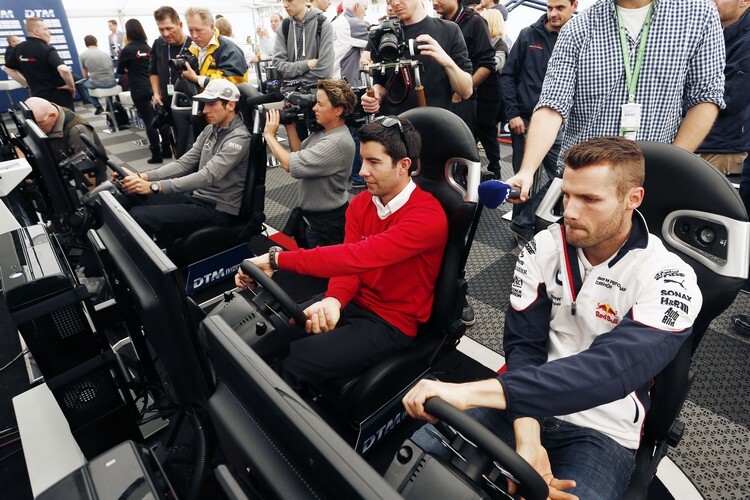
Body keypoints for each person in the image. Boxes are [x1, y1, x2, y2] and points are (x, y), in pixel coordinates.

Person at [403, 136, 703, 499]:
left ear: (632, 199)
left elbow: (610, 371)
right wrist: (528, 438)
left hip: (603, 428)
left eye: (590, 199)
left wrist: (468, 393)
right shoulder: (543, 247)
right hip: (517, 403)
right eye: (567, 194)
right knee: (412, 466)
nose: (571, 212)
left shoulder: (670, 277)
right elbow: (524, 348)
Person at [235, 116, 448, 391]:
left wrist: (276, 259)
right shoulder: (361, 204)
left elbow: (357, 256)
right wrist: (335, 299)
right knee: (271, 334)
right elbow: (348, 267)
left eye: (374, 162)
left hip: (390, 322)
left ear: (403, 166)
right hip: (353, 301)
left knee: (294, 362)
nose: (363, 171)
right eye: (363, 160)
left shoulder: (427, 217)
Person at [506, 0, 726, 206]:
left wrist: (669, 168)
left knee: (646, 244)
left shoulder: (699, 15)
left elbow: (706, 97)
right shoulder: (580, 26)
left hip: (651, 178)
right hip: (586, 179)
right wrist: (527, 170)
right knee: (577, 244)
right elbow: (552, 104)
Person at [119, 79, 250, 247]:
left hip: (217, 210)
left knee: (140, 215)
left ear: (230, 105)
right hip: (196, 198)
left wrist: (155, 186)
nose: (204, 110)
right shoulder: (211, 129)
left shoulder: (239, 138)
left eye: (211, 104)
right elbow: (183, 164)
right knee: (134, 196)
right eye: (204, 104)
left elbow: (206, 176)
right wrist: (142, 177)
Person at [499, 0, 577, 245]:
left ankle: (546, 220)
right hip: (526, 119)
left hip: (564, 123)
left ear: (574, 5)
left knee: (563, 176)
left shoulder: (581, 35)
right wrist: (512, 114)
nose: (552, 13)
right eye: (549, 7)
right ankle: (521, 225)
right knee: (525, 176)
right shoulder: (528, 35)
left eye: (559, 8)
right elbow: (508, 76)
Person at [264, 79, 356, 247]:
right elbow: (299, 153)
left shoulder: (337, 142)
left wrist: (269, 136)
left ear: (338, 110)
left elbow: (290, 165)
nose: (314, 108)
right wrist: (290, 127)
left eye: (320, 104)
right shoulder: (324, 133)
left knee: (323, 271)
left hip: (325, 223)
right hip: (310, 217)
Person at [360, 0, 473, 115]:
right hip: (394, 125)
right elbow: (380, 83)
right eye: (389, 0)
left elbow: (466, 91)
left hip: (435, 124)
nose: (395, 3)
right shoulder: (384, 34)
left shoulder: (449, 30)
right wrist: (374, 97)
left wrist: (447, 62)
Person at [434, 0, 497, 174]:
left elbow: (487, 63)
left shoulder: (475, 21)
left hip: (464, 99)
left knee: (462, 153)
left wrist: (462, 91)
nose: (434, 2)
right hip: (440, 99)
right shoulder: (437, 24)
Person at [695, 0, 750, 176]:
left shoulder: (746, 41)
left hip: (722, 144)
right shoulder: (720, 32)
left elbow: (730, 97)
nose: (711, 2)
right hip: (706, 137)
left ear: (744, 1)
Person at [24, 97, 108, 184]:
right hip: (63, 169)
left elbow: (88, 170)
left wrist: (89, 195)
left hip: (91, 178)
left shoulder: (77, 130)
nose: (36, 128)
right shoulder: (44, 115)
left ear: (52, 116)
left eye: (39, 124)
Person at [3, 18, 76, 110]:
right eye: (45, 29)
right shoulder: (46, 48)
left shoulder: (19, 48)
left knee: (45, 122)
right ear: (36, 32)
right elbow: (64, 69)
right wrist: (71, 87)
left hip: (38, 97)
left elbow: (7, 69)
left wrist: (28, 83)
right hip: (58, 96)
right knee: (65, 123)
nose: (50, 32)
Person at [149, 6, 192, 159]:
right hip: (167, 104)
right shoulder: (159, 44)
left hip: (188, 107)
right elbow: (153, 71)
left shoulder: (193, 45)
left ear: (180, 25)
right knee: (176, 148)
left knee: (190, 148)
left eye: (169, 28)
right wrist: (155, 93)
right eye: (161, 29)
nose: (165, 33)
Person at [118, 20, 162, 164]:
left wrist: (129, 68)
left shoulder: (127, 50)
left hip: (138, 88)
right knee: (161, 118)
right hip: (153, 87)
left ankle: (156, 154)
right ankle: (167, 149)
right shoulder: (149, 47)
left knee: (149, 121)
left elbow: (120, 70)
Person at [181, 7, 248, 90]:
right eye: (190, 30)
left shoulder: (229, 50)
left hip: (225, 102)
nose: (194, 35)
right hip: (200, 101)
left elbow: (230, 83)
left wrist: (196, 79)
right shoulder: (192, 48)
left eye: (199, 30)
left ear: (211, 27)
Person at [271, 0, 334, 84]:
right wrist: (306, 65)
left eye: (290, 0)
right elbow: (277, 68)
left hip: (315, 94)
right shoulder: (284, 26)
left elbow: (324, 72)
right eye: (283, 0)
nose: (285, 5)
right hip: (288, 94)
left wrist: (291, 79)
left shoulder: (323, 24)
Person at [332, 0, 369, 85]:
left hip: (333, 78)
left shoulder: (338, 21)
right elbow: (375, 43)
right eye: (365, 9)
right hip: (345, 82)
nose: (365, 13)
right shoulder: (353, 24)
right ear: (357, 6)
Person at [79, 36, 118, 114]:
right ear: (96, 42)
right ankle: (109, 105)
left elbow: (85, 75)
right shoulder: (106, 54)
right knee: (108, 84)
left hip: (96, 83)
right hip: (112, 83)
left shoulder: (82, 55)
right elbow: (112, 70)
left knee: (83, 84)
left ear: (86, 44)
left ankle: (98, 106)